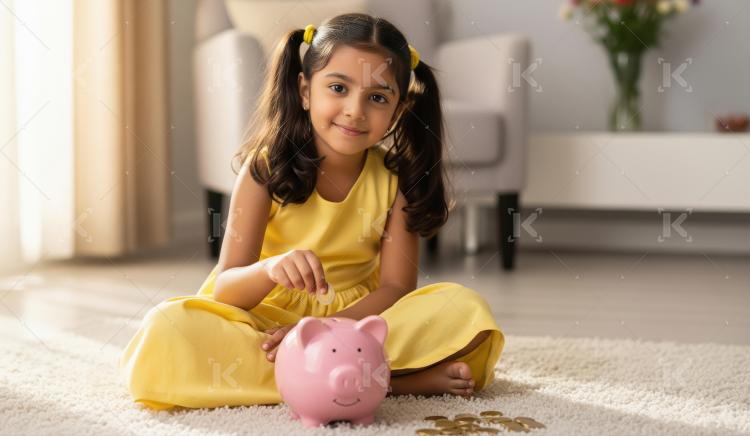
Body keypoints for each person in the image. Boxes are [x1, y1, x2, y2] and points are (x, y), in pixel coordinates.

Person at [119, 13, 504, 411]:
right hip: (267, 324)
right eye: (338, 87)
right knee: (167, 329)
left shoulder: (396, 179)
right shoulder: (264, 170)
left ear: (398, 110)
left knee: (464, 309)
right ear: (305, 91)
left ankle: (320, 378)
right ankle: (389, 383)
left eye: (377, 97)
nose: (355, 110)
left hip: (357, 323)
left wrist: (331, 332)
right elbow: (227, 289)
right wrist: (272, 270)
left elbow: (395, 288)